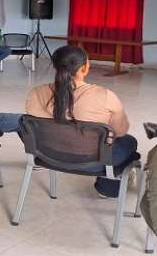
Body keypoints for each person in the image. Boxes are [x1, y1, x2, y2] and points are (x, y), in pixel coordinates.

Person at [25, 45, 135, 198]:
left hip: (48, 157)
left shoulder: (35, 93)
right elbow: (120, 131)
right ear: (84, 68)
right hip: (94, 162)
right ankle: (108, 189)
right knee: (129, 142)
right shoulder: (105, 96)